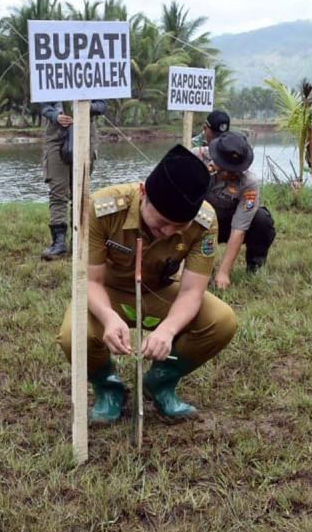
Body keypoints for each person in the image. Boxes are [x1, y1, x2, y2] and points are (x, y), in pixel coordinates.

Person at [57, 145, 237, 424]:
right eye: (163, 223)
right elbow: (89, 282)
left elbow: (192, 291)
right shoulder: (102, 208)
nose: (169, 232)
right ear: (143, 194)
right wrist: (108, 317)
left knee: (221, 321)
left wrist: (167, 329)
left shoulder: (205, 220)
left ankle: (160, 381)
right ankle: (108, 386)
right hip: (108, 292)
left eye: (180, 227)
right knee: (73, 334)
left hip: (162, 291)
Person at [193, 132, 276, 288]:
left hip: (227, 225)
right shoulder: (196, 157)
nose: (230, 174)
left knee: (262, 219)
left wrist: (223, 272)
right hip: (196, 221)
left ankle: (255, 267)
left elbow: (239, 229)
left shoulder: (249, 183)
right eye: (226, 168)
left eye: (234, 170)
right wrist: (205, 172)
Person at [39, 99, 107, 259]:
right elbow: (43, 105)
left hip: (84, 131)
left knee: (80, 191)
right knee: (58, 190)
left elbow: (102, 105)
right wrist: (56, 116)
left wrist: (86, 108)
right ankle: (59, 242)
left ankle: (80, 240)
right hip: (56, 134)